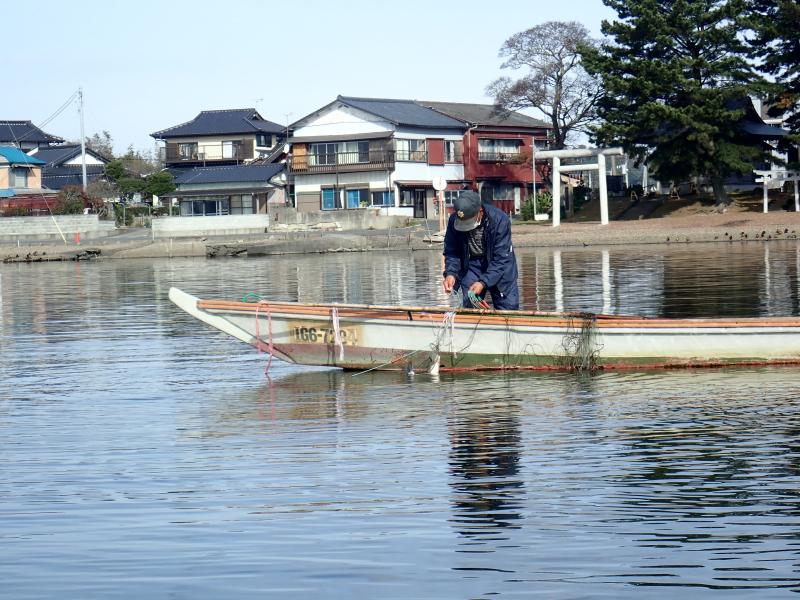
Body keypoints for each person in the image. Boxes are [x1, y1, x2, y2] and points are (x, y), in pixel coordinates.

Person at [442, 190, 519, 310]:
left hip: (501, 266)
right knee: (470, 303)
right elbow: (452, 251)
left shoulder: (500, 220)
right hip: (472, 266)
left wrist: (483, 282)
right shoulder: (454, 220)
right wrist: (451, 274)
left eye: (468, 222)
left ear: (480, 212)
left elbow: (501, 258)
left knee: (508, 308)